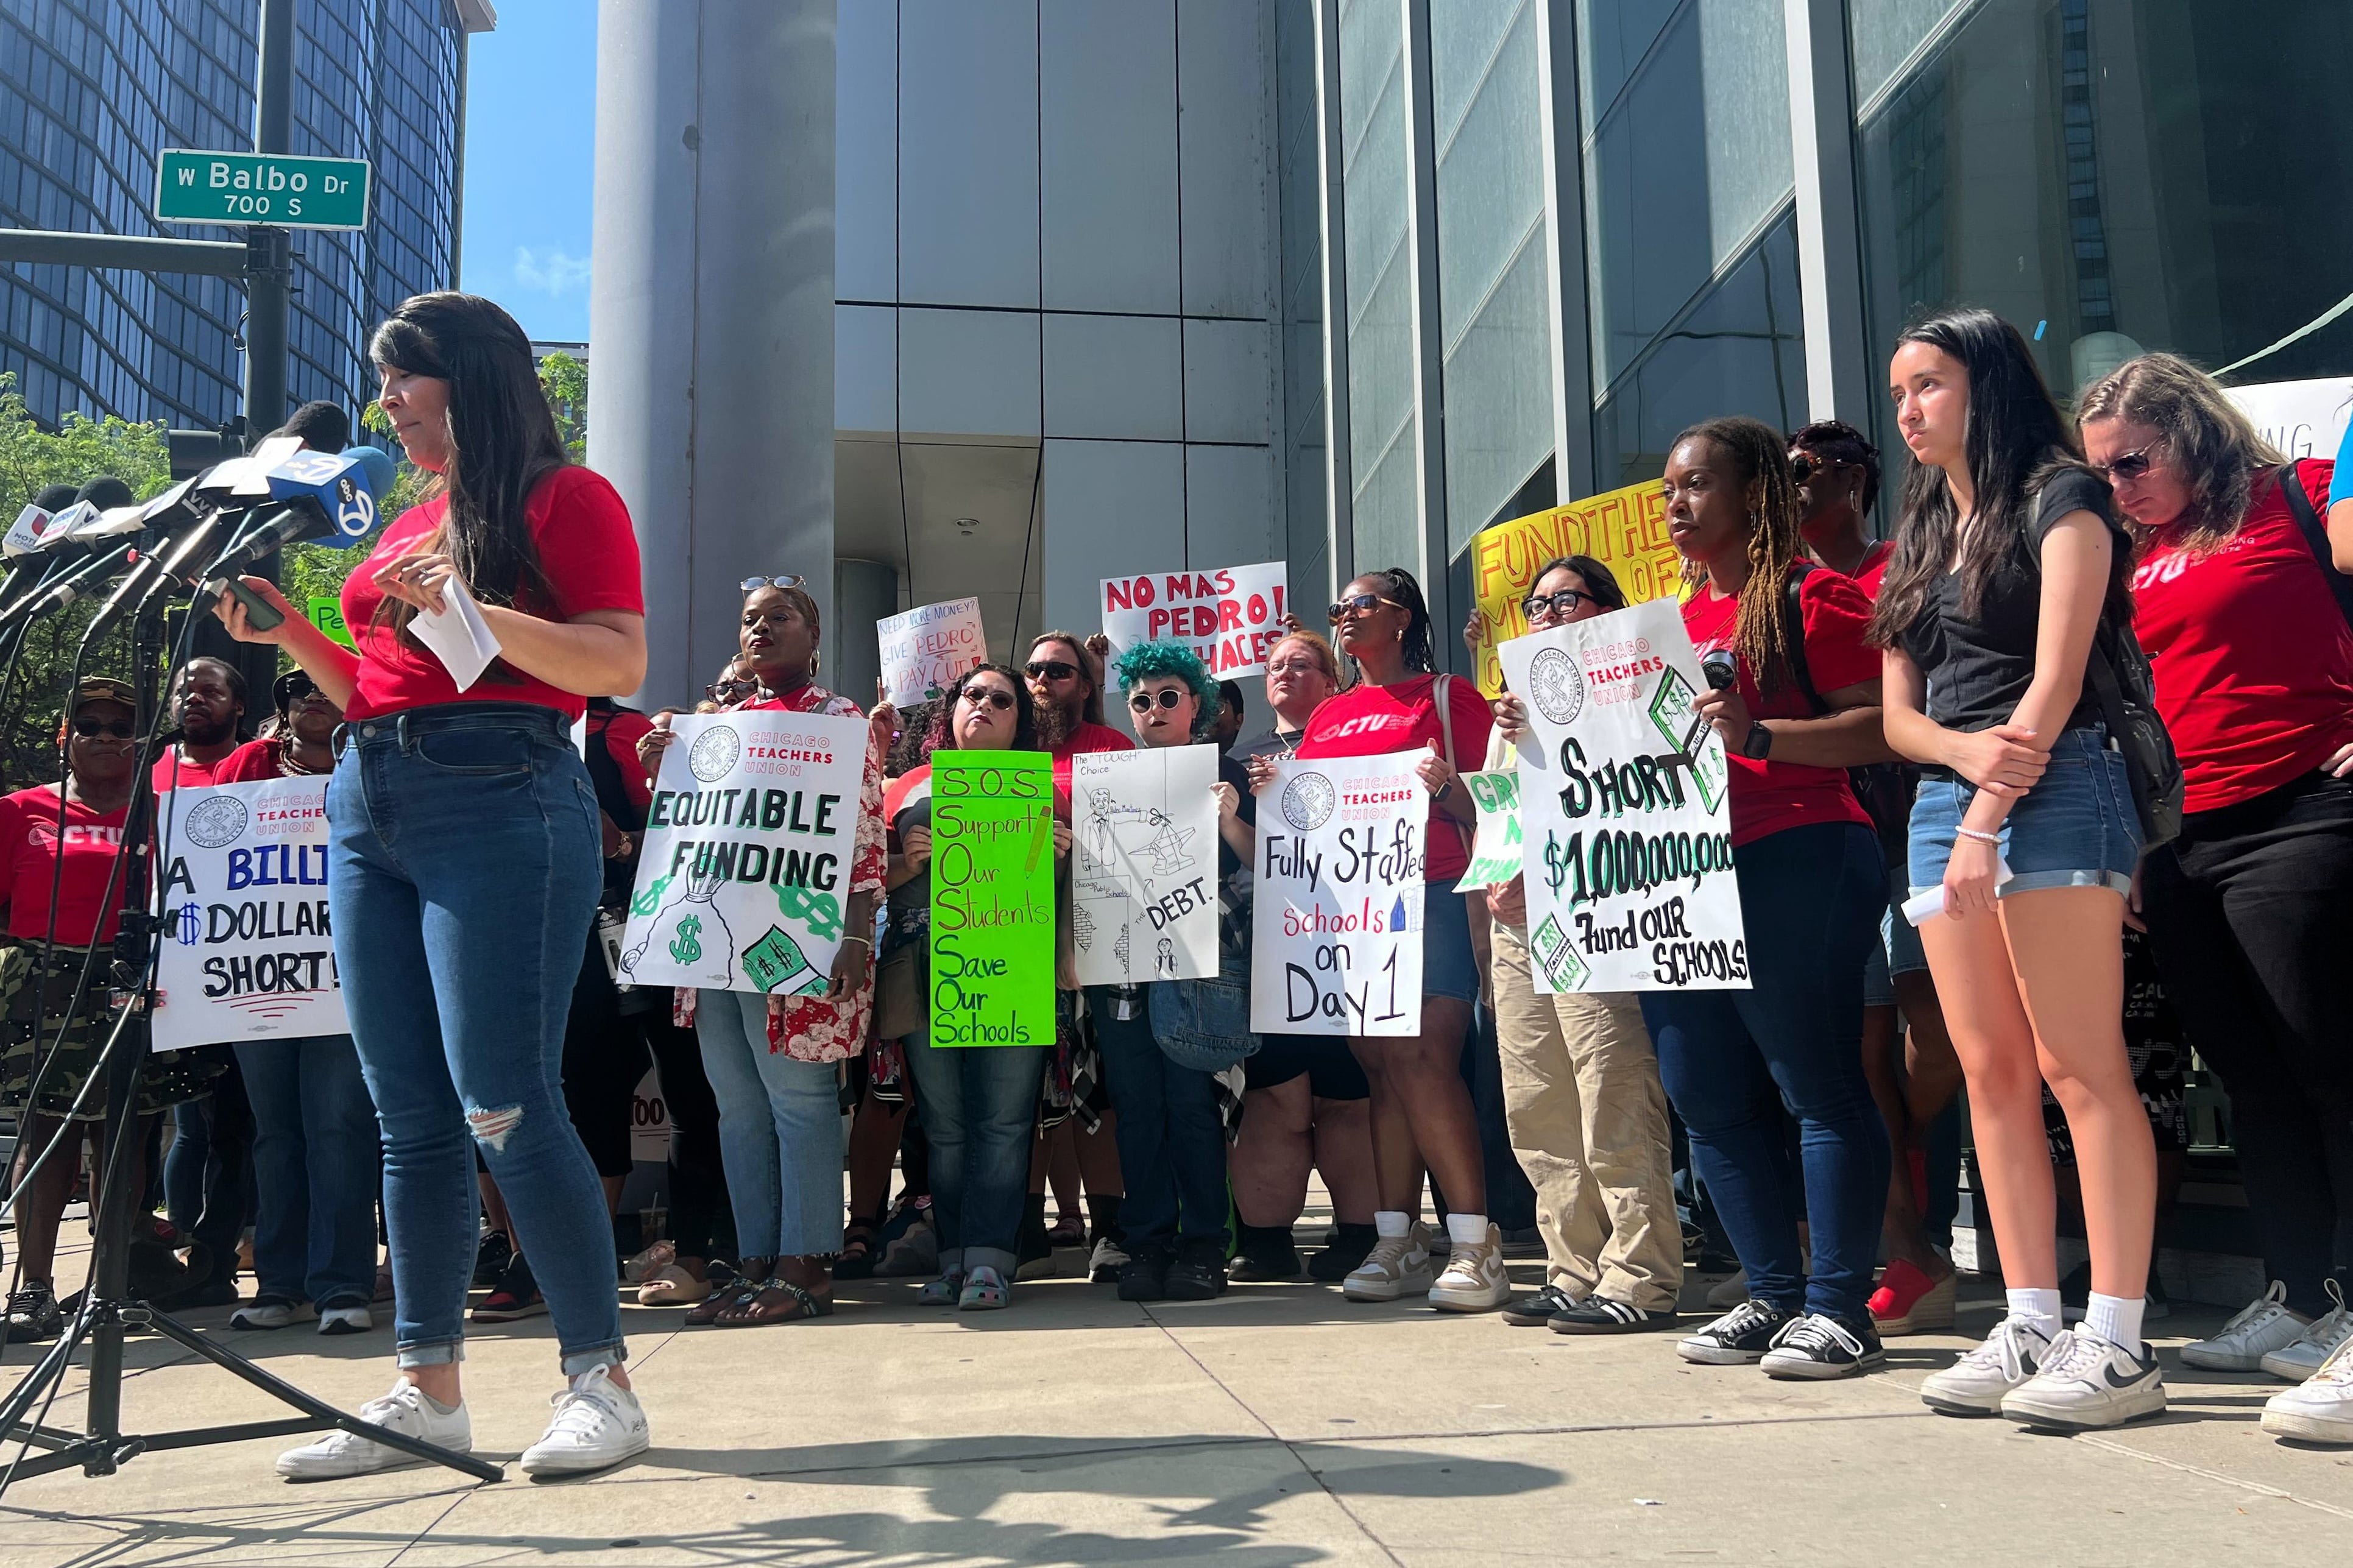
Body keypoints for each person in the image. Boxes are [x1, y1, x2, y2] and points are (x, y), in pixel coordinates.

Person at [217, 291, 653, 1478]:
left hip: (504, 794)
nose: (386, 401)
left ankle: (600, 1383)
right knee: (405, 1116)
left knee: (505, 1101)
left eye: (403, 377)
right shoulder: (416, 515)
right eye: (382, 380)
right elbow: (376, 693)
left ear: (467, 377)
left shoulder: (568, 498)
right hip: (370, 799)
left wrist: (471, 610)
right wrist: (291, 637)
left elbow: (616, 658)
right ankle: (428, 1392)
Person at [1872, 307, 2159, 1429]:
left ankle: (2120, 1338)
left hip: (2055, 790)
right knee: (1988, 1069)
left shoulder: (2061, 496)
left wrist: (1991, 805)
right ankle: (2031, 1312)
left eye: (1929, 384)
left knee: (2076, 1062)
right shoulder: (1918, 536)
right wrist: (1960, 766)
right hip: (1947, 802)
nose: (1909, 409)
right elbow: (1900, 716)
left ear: (1985, 385)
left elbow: (2054, 678)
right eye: (1900, 390)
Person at [2081, 353, 2353, 1441]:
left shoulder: (2299, 492)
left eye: (2133, 461)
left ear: (2193, 431)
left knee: (2328, 1059)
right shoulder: (2126, 555)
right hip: (2183, 841)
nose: (2119, 486)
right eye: (2101, 472)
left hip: (2303, 813)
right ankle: (2300, 1294)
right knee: (2249, 1076)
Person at [1640, 417, 1893, 1380]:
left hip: (1796, 850)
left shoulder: (1805, 595)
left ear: (1753, 494)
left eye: (1696, 484)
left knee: (1814, 1081)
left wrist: (1763, 738)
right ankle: (1770, 1293)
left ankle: (1838, 1306)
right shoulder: (1661, 622)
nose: (1675, 504)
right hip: (1680, 875)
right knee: (1703, 1091)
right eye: (1669, 488)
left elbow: (1880, 727)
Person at [1251, 567, 1507, 1312]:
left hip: (1431, 892)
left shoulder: (1446, 696)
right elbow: (1316, 818)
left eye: (1362, 604)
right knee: (1381, 1071)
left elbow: (1497, 800)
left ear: (1402, 618)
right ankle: (1398, 1239)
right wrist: (1277, 791)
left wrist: (1441, 787)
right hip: (1351, 909)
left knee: (1425, 1060)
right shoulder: (1329, 717)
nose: (1346, 616)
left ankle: (1474, 1243)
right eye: (1339, 607)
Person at [636, 577, 885, 1328]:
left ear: (813, 636)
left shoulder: (840, 721)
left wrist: (855, 929)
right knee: (738, 1109)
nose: (761, 630)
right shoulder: (717, 727)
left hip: (797, 942)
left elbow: (864, 832)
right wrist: (663, 771)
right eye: (749, 620)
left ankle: (808, 1263)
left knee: (800, 1102)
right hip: (714, 948)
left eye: (779, 618)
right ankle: (754, 1262)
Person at [1789, 419, 1965, 1338]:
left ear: (1856, 479)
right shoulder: (1770, 591)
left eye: (1808, 472)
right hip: (1835, 837)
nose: (1795, 488)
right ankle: (1907, 1247)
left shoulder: (1899, 566)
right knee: (1858, 1052)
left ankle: (1914, 1164)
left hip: (1919, 822)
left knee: (1931, 1032)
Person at [1485, 558, 1685, 1335]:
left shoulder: (1634, 689)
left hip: (1596, 916)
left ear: (1604, 610)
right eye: (1534, 605)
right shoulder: (1514, 707)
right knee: (1536, 1099)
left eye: (1562, 600)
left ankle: (1640, 1275)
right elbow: (1501, 814)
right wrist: (1500, 878)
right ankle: (1572, 1266)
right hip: (1515, 925)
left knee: (1611, 1089)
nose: (1544, 616)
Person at [3, 679, 219, 1340]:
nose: (104, 736)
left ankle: (109, 1286)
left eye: (121, 727)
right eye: (89, 724)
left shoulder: (171, 813)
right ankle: (33, 1289)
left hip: (142, 982)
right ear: (65, 737)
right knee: (49, 1134)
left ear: (143, 742)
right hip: (48, 986)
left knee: (129, 1136)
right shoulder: (20, 811)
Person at [885, 665, 1067, 1308]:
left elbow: (1072, 893)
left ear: (1021, 719)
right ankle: (954, 1256)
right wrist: (899, 860)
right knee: (945, 1124)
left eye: (1001, 699)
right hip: (924, 972)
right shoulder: (904, 786)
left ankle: (992, 1261)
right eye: (972, 695)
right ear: (951, 710)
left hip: (1013, 965)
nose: (984, 705)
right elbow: (862, 880)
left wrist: (1060, 857)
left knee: (1004, 1122)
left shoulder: (1045, 789)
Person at [208, 673, 381, 1336]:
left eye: (325, 684)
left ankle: (342, 1285)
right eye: (297, 689)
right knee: (275, 1133)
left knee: (340, 1127)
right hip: (260, 978)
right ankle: (278, 1285)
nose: (311, 696)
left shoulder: (373, 760)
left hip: (345, 980)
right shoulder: (245, 766)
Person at [1097, 640, 1256, 1301]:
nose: (1154, 709)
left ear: (1199, 704)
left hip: (1202, 964)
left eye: (1169, 697)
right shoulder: (1107, 778)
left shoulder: (1230, 774)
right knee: (1136, 1110)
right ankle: (1149, 1239)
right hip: (1124, 967)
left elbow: (1263, 866)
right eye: (1141, 700)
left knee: (1193, 1105)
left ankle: (1202, 1244)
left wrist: (1232, 819)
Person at [1229, 630, 1379, 1282]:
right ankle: (1263, 1243)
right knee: (1275, 1100)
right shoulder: (1237, 762)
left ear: (1332, 679)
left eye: (1301, 664)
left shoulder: (1361, 747)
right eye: (1274, 666)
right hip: (1271, 953)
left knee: (1349, 1098)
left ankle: (1360, 1236)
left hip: (1353, 949)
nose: (1285, 673)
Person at [1027, 630, 1129, 1276]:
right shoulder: (1004, 753)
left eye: (1060, 671)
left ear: (1086, 686)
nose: (1043, 680)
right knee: (1024, 1098)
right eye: (1034, 670)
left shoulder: (1112, 749)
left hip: (1093, 945)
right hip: (1009, 944)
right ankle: (1023, 1228)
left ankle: (1110, 1230)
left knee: (1099, 1099)